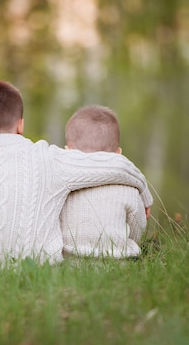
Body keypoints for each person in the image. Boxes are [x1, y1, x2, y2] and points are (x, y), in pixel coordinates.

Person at [0, 80, 152, 268]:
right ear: (20, 125)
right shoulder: (46, 158)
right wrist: (144, 192)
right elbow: (112, 165)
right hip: (30, 266)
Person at [60, 105, 151, 258]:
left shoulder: (62, 185)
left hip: (70, 261)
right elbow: (137, 231)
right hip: (118, 263)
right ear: (118, 153)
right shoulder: (129, 190)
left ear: (68, 150)